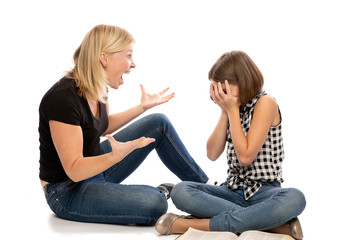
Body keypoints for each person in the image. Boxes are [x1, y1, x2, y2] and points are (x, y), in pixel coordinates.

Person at [38, 24, 208, 225]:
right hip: (67, 191)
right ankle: (160, 193)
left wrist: (142, 107)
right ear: (104, 58)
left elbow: (104, 126)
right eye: (128, 56)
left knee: (158, 123)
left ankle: (207, 190)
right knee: (155, 203)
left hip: (94, 167)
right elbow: (74, 169)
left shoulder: (97, 86)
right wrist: (113, 157)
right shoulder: (63, 99)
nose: (133, 64)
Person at [155, 51, 306, 239]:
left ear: (243, 82)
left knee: (295, 198)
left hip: (264, 193)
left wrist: (232, 109)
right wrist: (225, 111)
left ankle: (192, 224)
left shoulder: (265, 102)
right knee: (180, 191)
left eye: (224, 87)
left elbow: (245, 157)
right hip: (232, 190)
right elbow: (212, 153)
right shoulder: (233, 109)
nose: (219, 92)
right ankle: (268, 224)